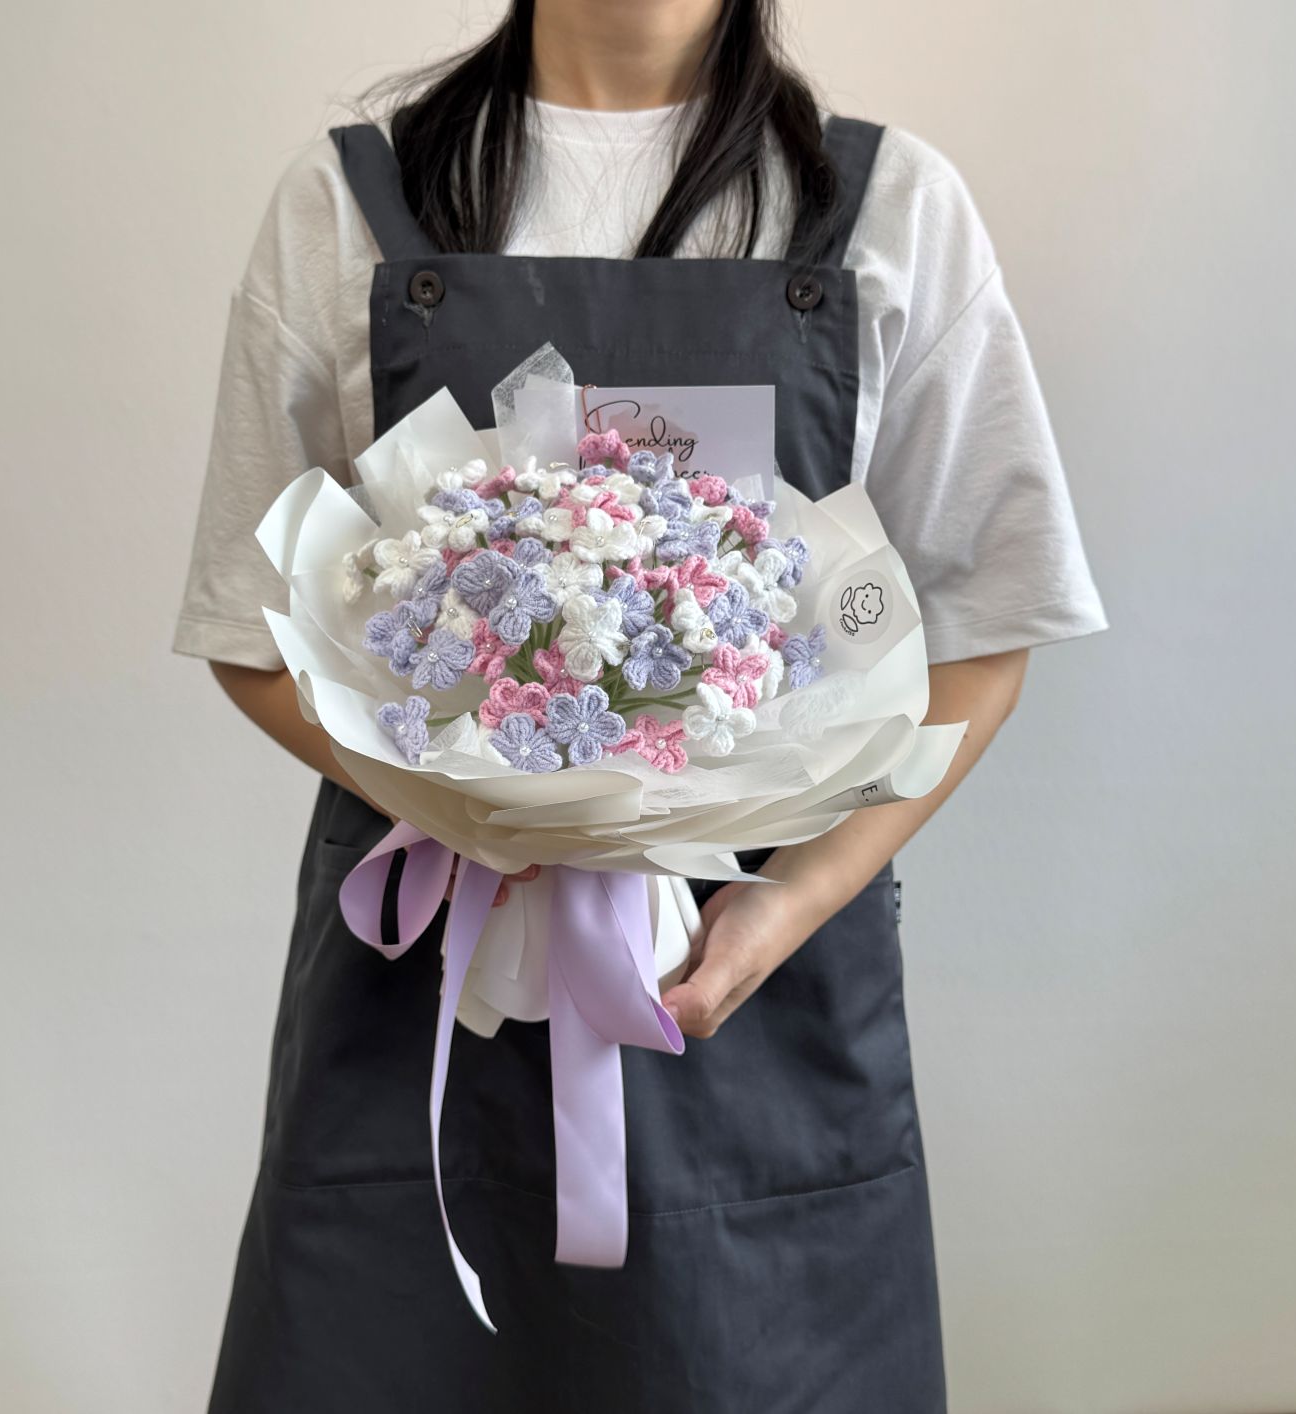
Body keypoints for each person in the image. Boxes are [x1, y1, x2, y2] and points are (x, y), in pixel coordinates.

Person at [171, 0, 1109, 1408]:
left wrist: (789, 903)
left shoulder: (886, 210)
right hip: (434, 1002)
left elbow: (985, 628)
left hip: (760, 997)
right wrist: (475, 813)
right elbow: (251, 627)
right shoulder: (351, 206)